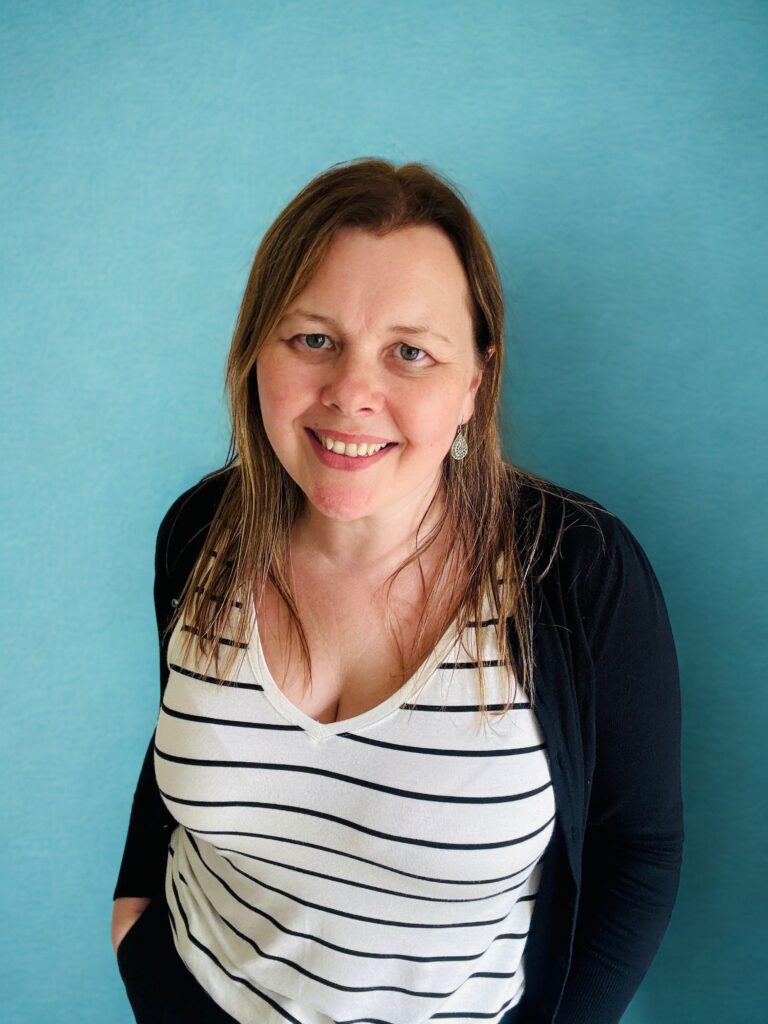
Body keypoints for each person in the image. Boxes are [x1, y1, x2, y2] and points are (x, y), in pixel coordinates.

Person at [111, 158, 684, 1024]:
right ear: (256, 348)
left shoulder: (579, 573)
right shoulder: (201, 533)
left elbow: (635, 851)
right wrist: (135, 932)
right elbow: (183, 746)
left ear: (473, 382)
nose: (352, 394)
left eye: (409, 352)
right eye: (314, 339)